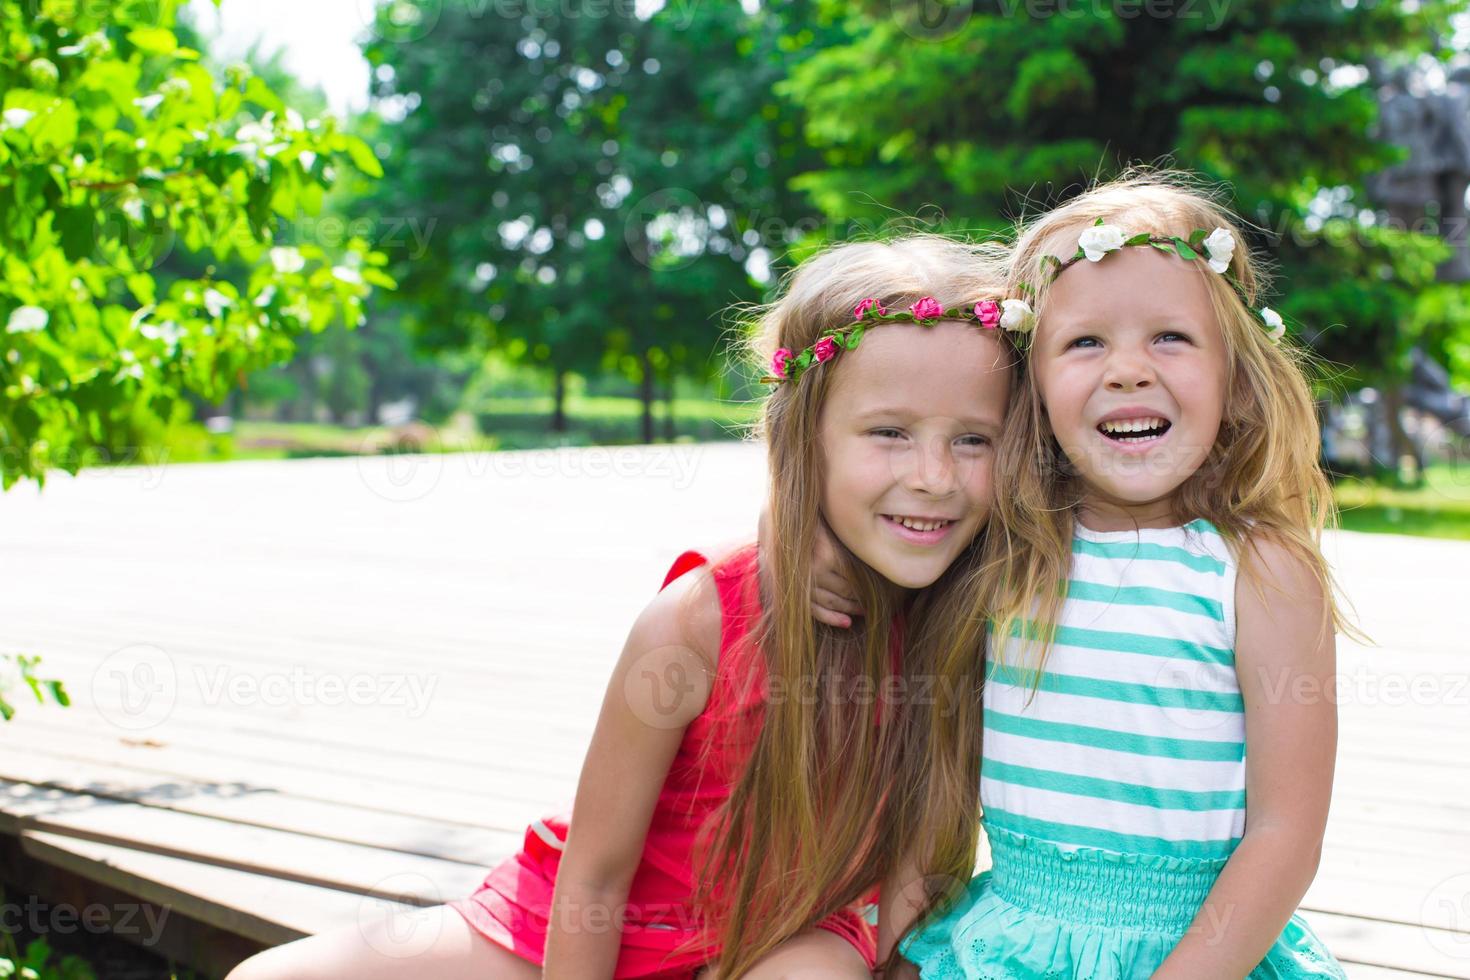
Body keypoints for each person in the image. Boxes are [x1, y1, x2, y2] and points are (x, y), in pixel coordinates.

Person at [224, 233, 1025, 980]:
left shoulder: (989, 615)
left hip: (795, 932)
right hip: (578, 923)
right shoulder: (696, 622)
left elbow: (927, 862)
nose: (934, 477)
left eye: (973, 440)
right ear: (802, 437)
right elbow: (597, 875)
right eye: (889, 432)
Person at [820, 174, 1358, 979]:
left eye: (1170, 338)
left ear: (1235, 375)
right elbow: (885, 516)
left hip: (1196, 954)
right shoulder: (1011, 549)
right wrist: (814, 546)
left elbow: (1286, 834)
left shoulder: (1258, 571)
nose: (1129, 370)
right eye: (1085, 342)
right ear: (1031, 388)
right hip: (1010, 943)